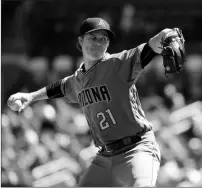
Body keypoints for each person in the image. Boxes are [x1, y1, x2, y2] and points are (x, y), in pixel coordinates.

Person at [7, 17, 182, 187]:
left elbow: (150, 47)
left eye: (103, 39)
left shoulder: (116, 64)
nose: (98, 42)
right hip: (106, 157)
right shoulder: (78, 79)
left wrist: (168, 34)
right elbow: (59, 87)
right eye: (93, 37)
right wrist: (31, 96)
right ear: (81, 40)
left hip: (136, 149)